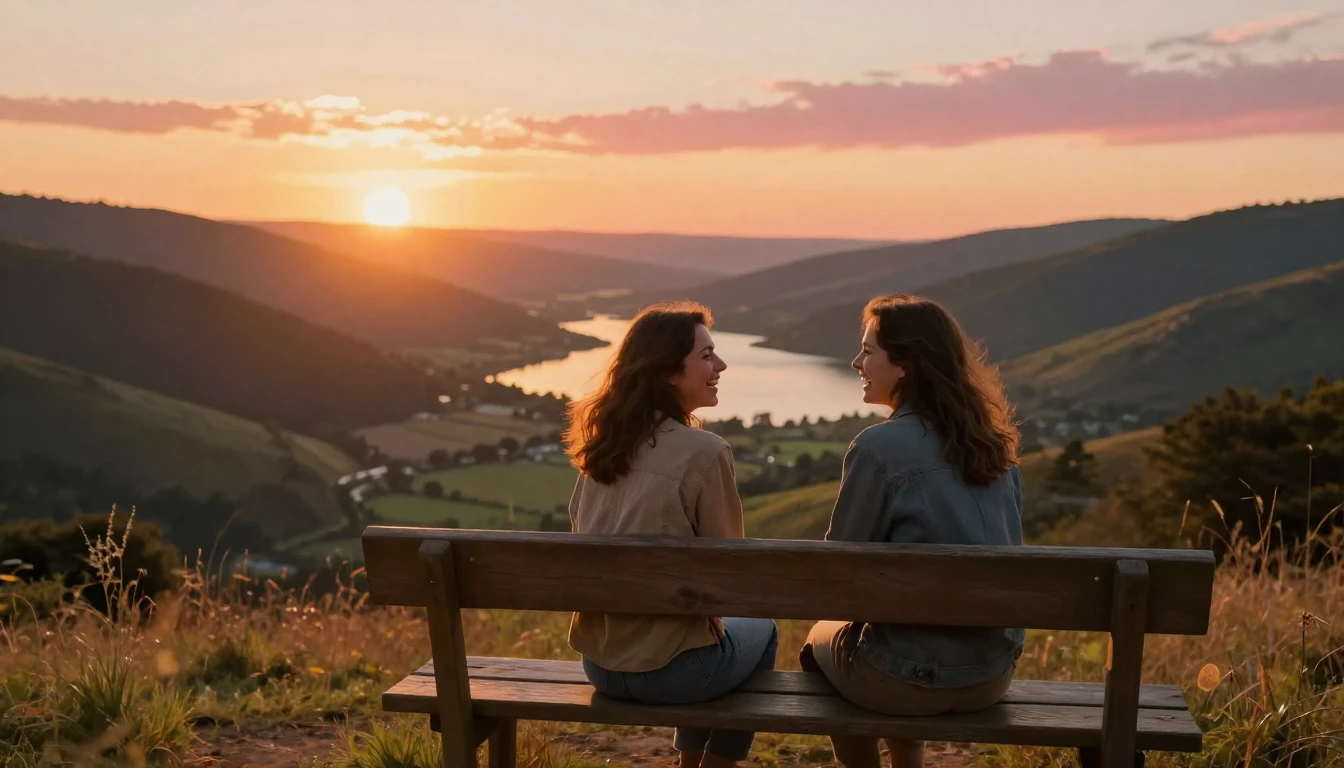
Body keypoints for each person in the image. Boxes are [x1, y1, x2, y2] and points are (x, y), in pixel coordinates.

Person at [799, 294, 1025, 768]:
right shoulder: (996, 449)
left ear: (906, 364)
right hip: (990, 676)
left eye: (868, 351)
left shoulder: (878, 447)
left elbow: (835, 571)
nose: (856, 362)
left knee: (817, 645)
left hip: (905, 682)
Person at [563, 301, 779, 768]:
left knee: (705, 634)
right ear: (666, 372)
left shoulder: (601, 449)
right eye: (706, 355)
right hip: (676, 675)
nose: (721, 365)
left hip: (600, 666)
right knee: (763, 627)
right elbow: (732, 574)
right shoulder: (705, 451)